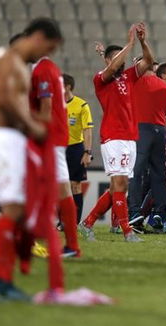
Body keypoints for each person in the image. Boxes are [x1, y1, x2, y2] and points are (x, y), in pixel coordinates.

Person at [0, 18, 64, 301]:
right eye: (49, 48)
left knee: (16, 210)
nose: (46, 56)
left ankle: (3, 280)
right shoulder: (10, 61)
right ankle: (0, 282)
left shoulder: (10, 61)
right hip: (6, 138)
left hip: (9, 138)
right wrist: (33, 127)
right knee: (15, 210)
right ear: (39, 37)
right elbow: (6, 99)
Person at [79, 23, 154, 242]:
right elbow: (111, 68)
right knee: (120, 185)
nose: (119, 62)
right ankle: (126, 232)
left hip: (129, 138)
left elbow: (148, 61)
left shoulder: (130, 76)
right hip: (113, 136)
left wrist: (141, 41)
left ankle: (87, 223)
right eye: (116, 58)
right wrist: (130, 44)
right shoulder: (101, 79)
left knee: (117, 188)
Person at [30, 54, 80, 258]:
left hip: (48, 138)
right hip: (55, 137)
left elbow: (47, 106)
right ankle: (70, 245)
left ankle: (69, 245)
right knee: (59, 189)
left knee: (56, 189)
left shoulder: (42, 70)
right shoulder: (50, 68)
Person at [128, 61, 166, 232]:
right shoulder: (164, 85)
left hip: (141, 130)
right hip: (159, 131)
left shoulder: (135, 81)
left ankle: (134, 213)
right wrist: (163, 129)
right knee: (159, 174)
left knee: (136, 172)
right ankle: (158, 214)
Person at [63, 74, 93, 223]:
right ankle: (62, 221)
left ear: (67, 86)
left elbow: (87, 130)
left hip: (75, 149)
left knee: (75, 185)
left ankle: (74, 222)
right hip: (58, 149)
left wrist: (87, 152)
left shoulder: (81, 105)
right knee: (60, 186)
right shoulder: (53, 105)